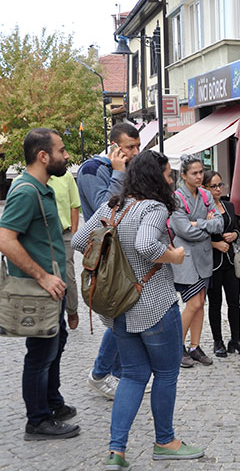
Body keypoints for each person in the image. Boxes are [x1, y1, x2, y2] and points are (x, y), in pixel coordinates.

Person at [72, 150, 204, 469]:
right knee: (167, 373)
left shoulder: (113, 205)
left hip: (119, 306)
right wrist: (173, 256)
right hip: (154, 305)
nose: (171, 180)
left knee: (132, 375)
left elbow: (78, 240)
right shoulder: (154, 207)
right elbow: (147, 245)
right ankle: (166, 441)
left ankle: (116, 452)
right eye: (168, 174)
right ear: (155, 177)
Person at [0, 128, 79, 440]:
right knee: (40, 353)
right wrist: (42, 276)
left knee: (54, 345)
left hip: (52, 288)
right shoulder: (26, 191)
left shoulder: (42, 187)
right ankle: (38, 420)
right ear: (43, 156)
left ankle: (53, 403)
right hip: (39, 289)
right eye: (61, 150)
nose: (66, 156)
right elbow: (5, 240)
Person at [78, 122, 141, 399]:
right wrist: (118, 173)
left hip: (123, 247)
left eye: (138, 146)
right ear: (115, 147)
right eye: (130, 147)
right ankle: (101, 373)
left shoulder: (126, 168)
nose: (135, 152)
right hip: (105, 252)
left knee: (123, 311)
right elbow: (105, 206)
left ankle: (115, 374)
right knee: (118, 312)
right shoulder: (92, 170)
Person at [170, 155, 224, 367]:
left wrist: (197, 224)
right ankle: (177, 346)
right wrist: (205, 226)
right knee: (193, 303)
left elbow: (219, 224)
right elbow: (182, 230)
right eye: (194, 173)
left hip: (203, 257)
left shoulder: (205, 195)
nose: (200, 176)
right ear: (183, 175)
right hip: (186, 257)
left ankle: (195, 346)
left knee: (201, 302)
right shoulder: (176, 198)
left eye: (201, 171)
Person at [203, 171, 240, 358]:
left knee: (234, 302)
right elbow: (195, 237)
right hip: (213, 263)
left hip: (231, 262)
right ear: (205, 188)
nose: (218, 189)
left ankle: (236, 339)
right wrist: (214, 243)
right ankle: (218, 341)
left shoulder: (229, 206)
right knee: (215, 304)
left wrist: (234, 235)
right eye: (213, 186)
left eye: (220, 185)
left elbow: (236, 230)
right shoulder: (202, 209)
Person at [47, 170, 81, 332]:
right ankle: (50, 314)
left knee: (67, 275)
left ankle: (72, 310)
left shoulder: (65, 176)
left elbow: (74, 206)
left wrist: (74, 233)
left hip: (64, 235)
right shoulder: (25, 180)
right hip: (41, 238)